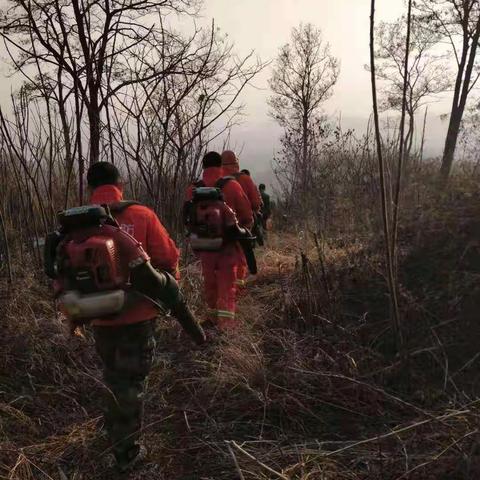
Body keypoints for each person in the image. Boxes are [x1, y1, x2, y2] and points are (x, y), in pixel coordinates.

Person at [86, 162, 181, 471]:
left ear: (90, 188)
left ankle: (115, 430)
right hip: (137, 316)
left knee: (113, 375)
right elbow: (168, 258)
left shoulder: (76, 222)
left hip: (97, 315)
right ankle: (127, 452)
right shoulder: (141, 215)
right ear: (120, 184)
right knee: (131, 383)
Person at [185, 151, 253, 330]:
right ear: (221, 166)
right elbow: (247, 215)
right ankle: (226, 326)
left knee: (210, 283)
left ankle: (212, 319)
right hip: (227, 247)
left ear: (203, 167)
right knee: (227, 284)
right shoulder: (231, 185)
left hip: (203, 247)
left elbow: (185, 218)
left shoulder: (193, 189)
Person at [221, 150, 262, 289]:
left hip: (221, 224)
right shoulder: (244, 178)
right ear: (236, 163)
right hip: (242, 222)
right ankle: (251, 274)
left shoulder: (217, 180)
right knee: (246, 248)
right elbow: (256, 202)